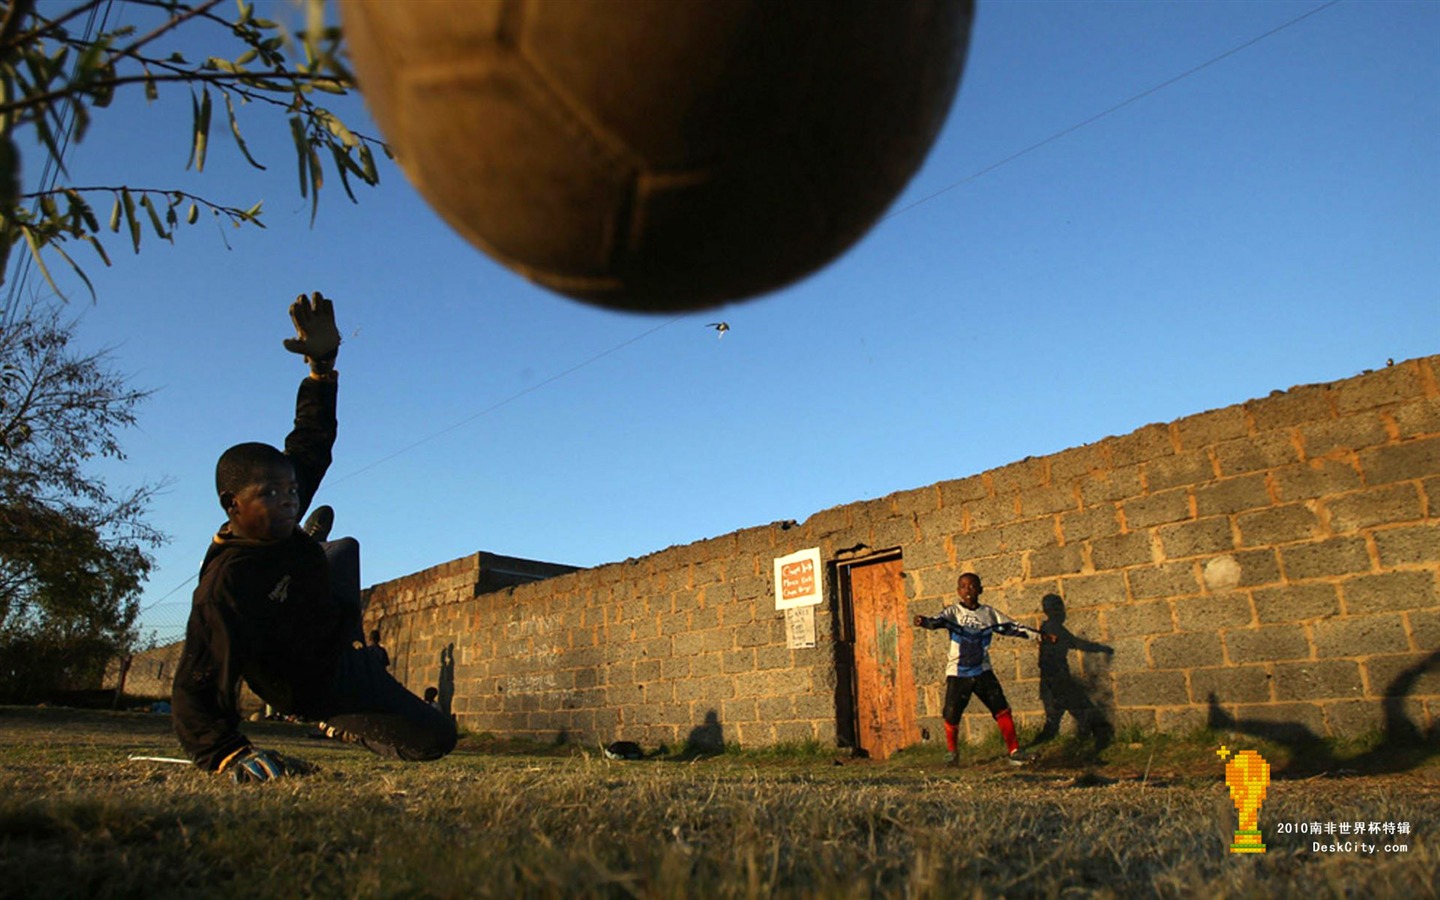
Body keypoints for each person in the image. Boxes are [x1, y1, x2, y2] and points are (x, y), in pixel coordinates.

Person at [171, 293, 457, 783]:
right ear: (232, 505)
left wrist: (322, 368)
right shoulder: (225, 586)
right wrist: (226, 752)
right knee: (437, 740)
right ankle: (340, 723)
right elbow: (196, 682)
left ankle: (312, 555)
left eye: (289, 491)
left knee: (343, 550)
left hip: (330, 629)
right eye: (270, 494)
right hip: (313, 682)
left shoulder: (280, 504)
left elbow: (311, 439)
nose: (285, 499)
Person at [914, 572, 1056, 766]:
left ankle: (1014, 752)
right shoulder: (953, 613)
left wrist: (1041, 636)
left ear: (980, 590)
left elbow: (1013, 627)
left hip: (982, 670)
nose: (968, 590)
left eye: (972, 586)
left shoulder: (989, 614)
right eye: (963, 586)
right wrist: (924, 622)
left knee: (1001, 708)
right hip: (958, 672)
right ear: (958, 591)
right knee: (951, 713)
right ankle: (952, 753)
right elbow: (936, 621)